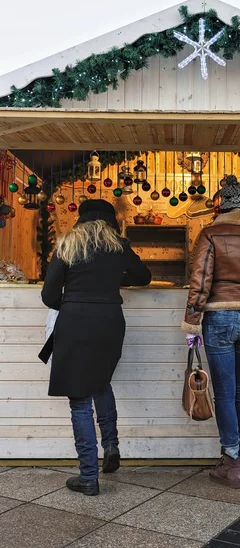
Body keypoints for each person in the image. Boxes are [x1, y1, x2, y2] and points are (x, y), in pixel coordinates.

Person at [41, 199, 151, 496]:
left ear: (81, 219)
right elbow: (144, 277)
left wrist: (75, 303)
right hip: (110, 321)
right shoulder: (118, 246)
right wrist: (115, 278)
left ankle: (88, 476)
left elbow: (49, 294)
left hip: (75, 321)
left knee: (79, 400)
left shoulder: (67, 244)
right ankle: (111, 445)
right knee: (101, 383)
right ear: (110, 221)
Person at [182, 175, 240, 488]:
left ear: (221, 206)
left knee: (224, 392)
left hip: (219, 316)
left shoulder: (210, 233)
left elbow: (200, 279)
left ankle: (231, 465)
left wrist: (192, 318)